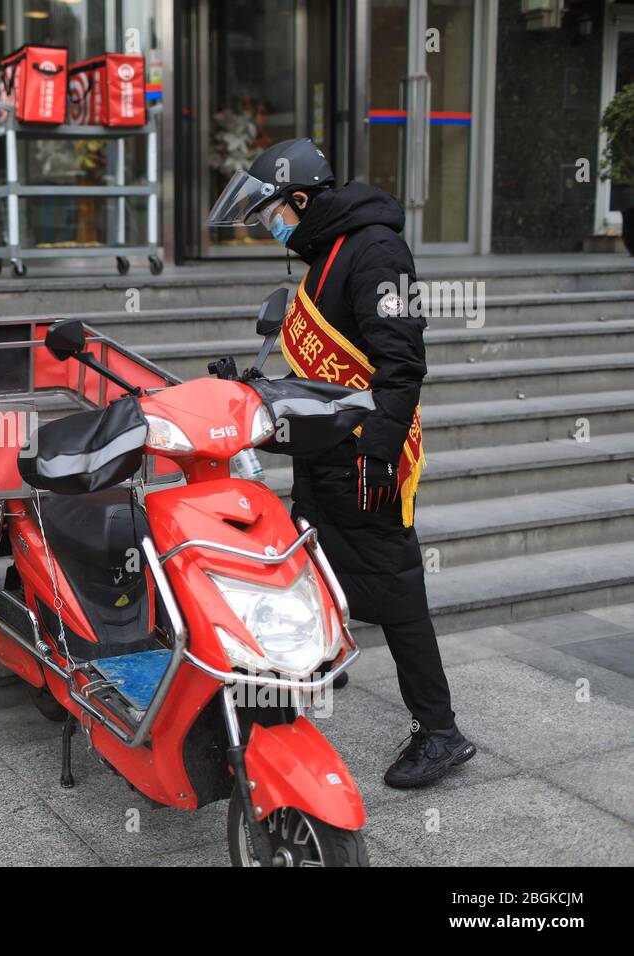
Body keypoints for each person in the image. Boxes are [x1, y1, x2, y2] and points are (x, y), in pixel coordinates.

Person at [208, 138, 476, 788]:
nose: (269, 225)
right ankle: (325, 656)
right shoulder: (327, 252)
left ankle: (439, 733)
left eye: (271, 211)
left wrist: (380, 452)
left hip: (365, 456)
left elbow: (402, 363)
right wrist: (251, 385)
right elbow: (318, 368)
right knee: (315, 563)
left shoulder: (377, 250)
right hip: (326, 454)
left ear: (301, 199)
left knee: (394, 585)